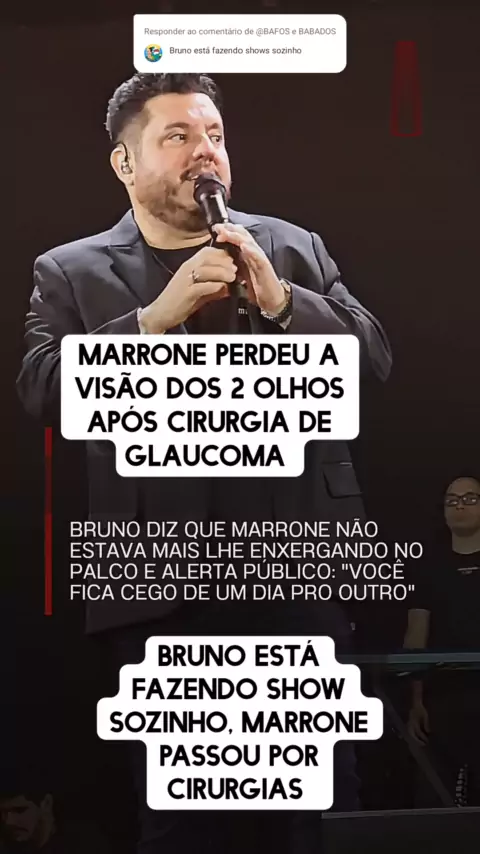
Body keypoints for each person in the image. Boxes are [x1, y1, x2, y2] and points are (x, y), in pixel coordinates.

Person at [17, 73, 392, 852]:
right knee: (187, 822)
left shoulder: (289, 246)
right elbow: (45, 392)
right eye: (179, 136)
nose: (205, 152)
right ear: (125, 162)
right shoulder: (72, 271)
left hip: (293, 576)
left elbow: (372, 365)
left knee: (317, 812)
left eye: (215, 135)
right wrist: (152, 322)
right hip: (162, 590)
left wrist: (283, 301)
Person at [404, 475, 480, 805]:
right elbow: (416, 635)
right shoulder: (428, 567)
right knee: (436, 793)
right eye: (452, 500)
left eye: (470, 498)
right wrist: (415, 700)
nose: (460, 505)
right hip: (443, 696)